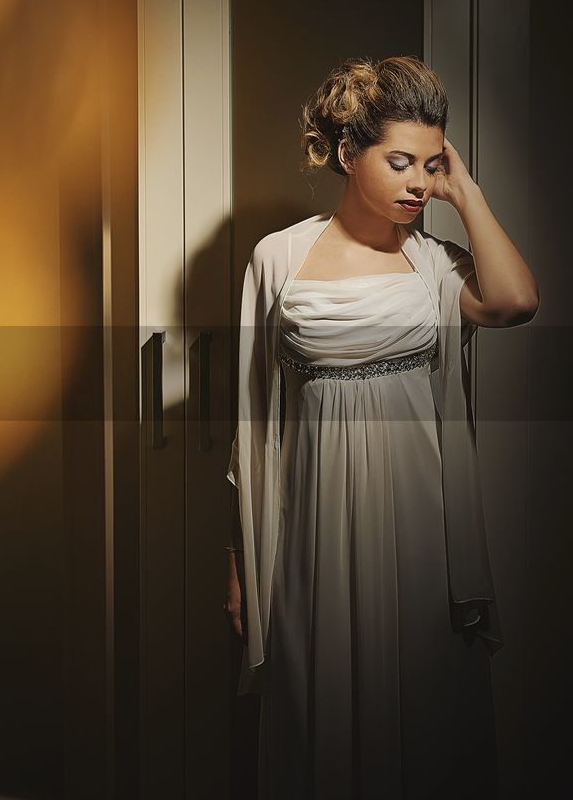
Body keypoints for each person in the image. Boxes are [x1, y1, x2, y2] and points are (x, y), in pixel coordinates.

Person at [222, 55, 539, 799]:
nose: (418, 184)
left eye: (432, 166)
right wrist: (239, 562)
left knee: (425, 703)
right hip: (312, 526)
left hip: (420, 520)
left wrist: (466, 192)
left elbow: (516, 300)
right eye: (400, 162)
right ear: (345, 152)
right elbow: (250, 419)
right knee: (319, 699)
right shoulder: (279, 259)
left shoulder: (433, 262)